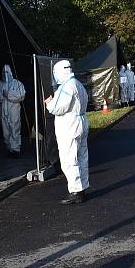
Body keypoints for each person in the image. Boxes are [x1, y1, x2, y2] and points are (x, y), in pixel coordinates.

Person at [45, 60, 90, 204]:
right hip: (81, 122)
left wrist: (49, 103)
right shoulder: (78, 84)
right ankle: (82, 188)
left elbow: (57, 108)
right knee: (82, 156)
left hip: (69, 126)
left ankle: (76, 191)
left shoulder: (66, 87)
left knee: (69, 159)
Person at [0, 64, 26, 157]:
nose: (5, 74)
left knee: (15, 128)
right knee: (5, 130)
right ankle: (10, 149)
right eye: (3, 72)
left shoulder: (17, 83)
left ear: (10, 72)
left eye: (7, 72)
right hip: (3, 111)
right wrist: (1, 97)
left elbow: (21, 96)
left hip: (13, 111)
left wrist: (8, 96)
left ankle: (16, 150)